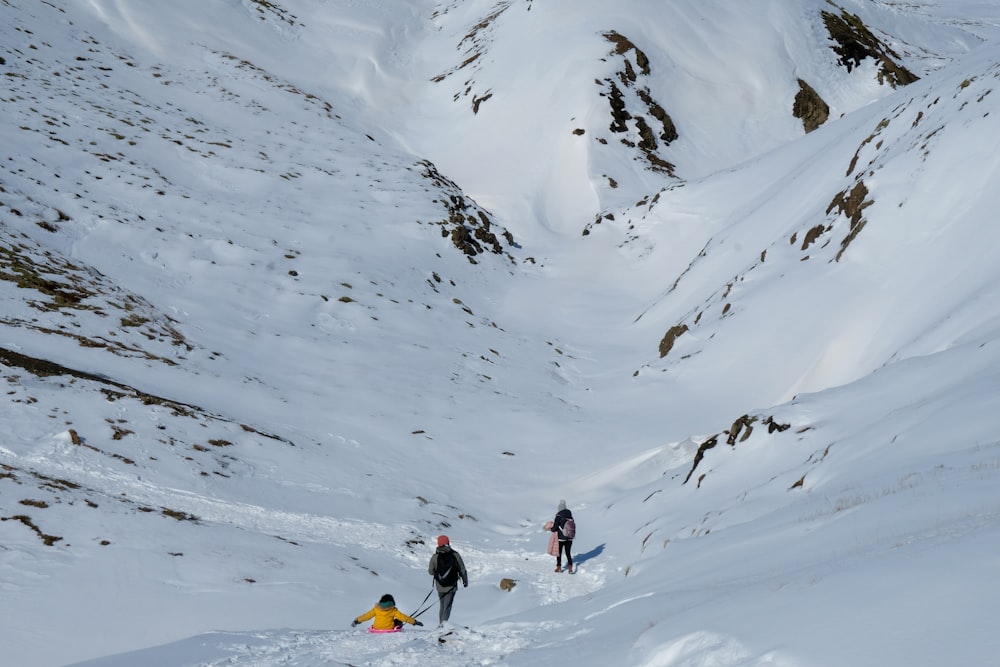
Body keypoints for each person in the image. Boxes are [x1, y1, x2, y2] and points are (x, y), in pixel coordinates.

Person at [427, 534, 468, 627]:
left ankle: (441, 624)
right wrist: (465, 581)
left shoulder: (435, 556)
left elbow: (430, 571)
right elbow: (462, 569)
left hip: (440, 586)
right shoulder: (455, 555)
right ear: (448, 543)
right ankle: (443, 626)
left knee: (442, 605)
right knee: (447, 606)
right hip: (451, 585)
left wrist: (439, 575)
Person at [351, 593, 423, 631]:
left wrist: (357, 620)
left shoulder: (376, 609)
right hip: (389, 628)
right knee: (399, 619)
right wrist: (414, 622)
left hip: (377, 627)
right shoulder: (393, 610)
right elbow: (404, 617)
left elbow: (366, 616)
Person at [549, 499, 574, 573]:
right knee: (568, 553)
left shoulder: (558, 516)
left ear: (559, 509)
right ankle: (570, 568)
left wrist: (551, 529)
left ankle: (559, 567)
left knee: (558, 552)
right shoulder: (570, 516)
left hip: (561, 538)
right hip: (570, 537)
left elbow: (554, 528)